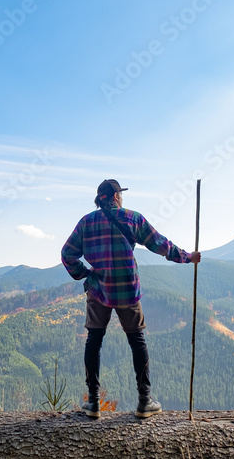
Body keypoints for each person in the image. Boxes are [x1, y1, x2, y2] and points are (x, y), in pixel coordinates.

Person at [61, 179, 201, 418]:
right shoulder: (133, 218)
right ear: (116, 196)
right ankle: (144, 401)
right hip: (127, 287)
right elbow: (160, 244)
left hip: (99, 290)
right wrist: (187, 257)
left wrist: (85, 274)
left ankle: (93, 402)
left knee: (94, 340)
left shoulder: (86, 222)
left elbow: (67, 254)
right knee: (137, 340)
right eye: (120, 195)